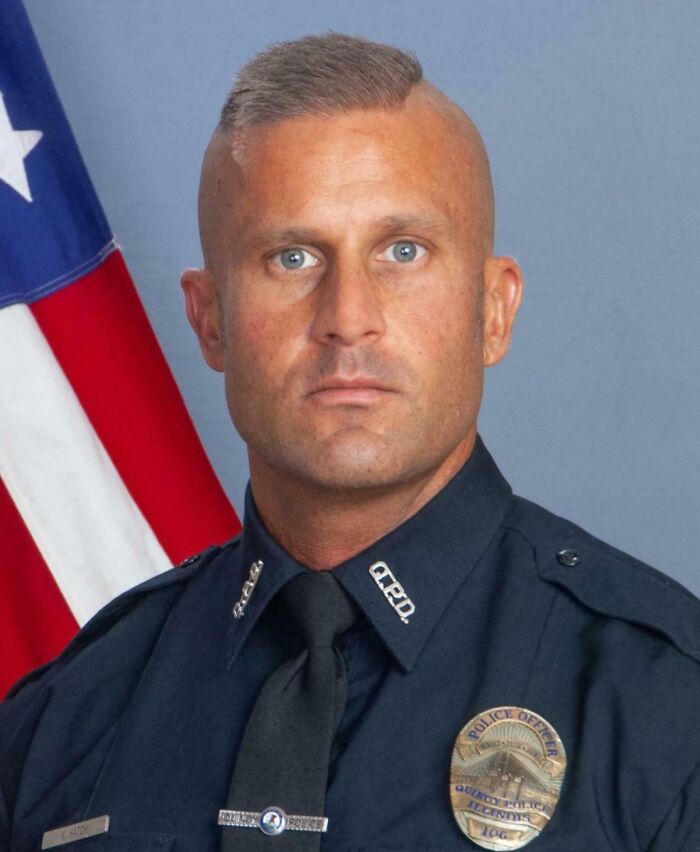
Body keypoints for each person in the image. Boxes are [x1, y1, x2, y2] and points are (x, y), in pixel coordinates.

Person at [1, 32, 699, 852]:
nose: (347, 317)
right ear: (210, 319)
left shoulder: (663, 708)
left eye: (403, 251)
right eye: (291, 257)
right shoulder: (68, 711)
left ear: (494, 311)